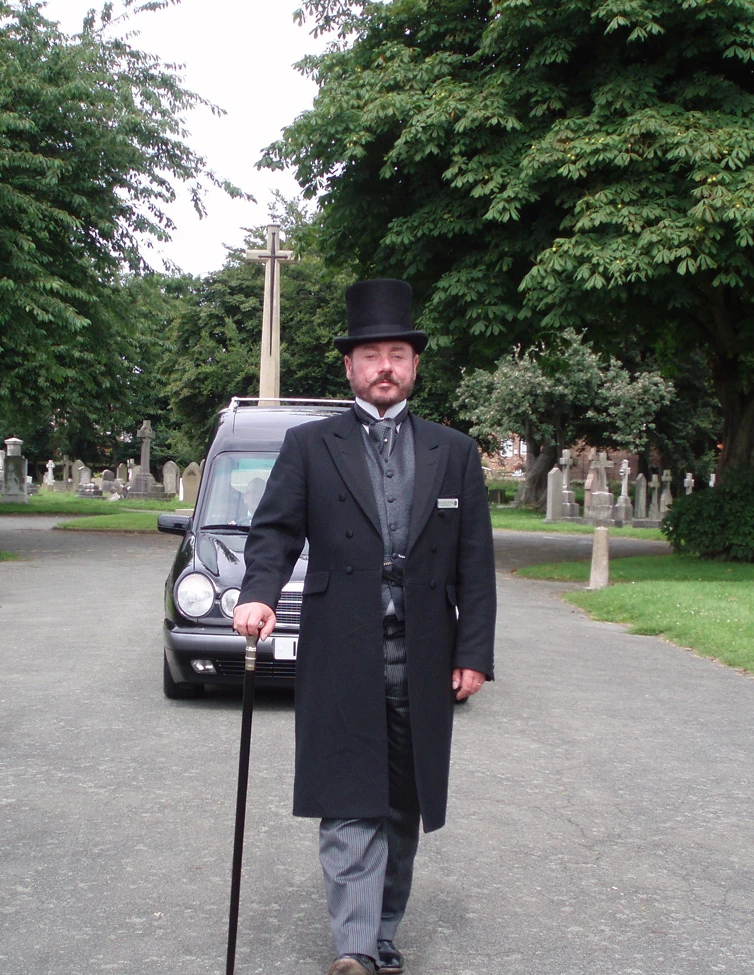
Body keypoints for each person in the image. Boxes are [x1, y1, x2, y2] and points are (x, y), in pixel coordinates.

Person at [234, 279, 497, 975]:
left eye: (398, 354)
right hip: (340, 650)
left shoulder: (456, 453)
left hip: (424, 653)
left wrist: (474, 651)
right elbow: (274, 531)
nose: (385, 366)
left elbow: (476, 562)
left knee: (402, 802)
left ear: (414, 365)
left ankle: (382, 931)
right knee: (350, 797)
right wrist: (258, 593)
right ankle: (353, 946)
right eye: (372, 354)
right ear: (349, 367)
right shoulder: (309, 445)